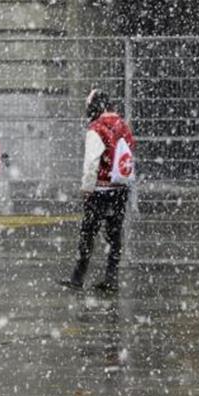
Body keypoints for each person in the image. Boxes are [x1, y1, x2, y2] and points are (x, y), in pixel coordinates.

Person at [60, 89, 135, 292]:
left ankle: (78, 277)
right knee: (114, 234)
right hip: (120, 188)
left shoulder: (97, 128)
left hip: (100, 189)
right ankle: (111, 278)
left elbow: (92, 162)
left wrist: (86, 188)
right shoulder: (123, 126)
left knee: (88, 234)